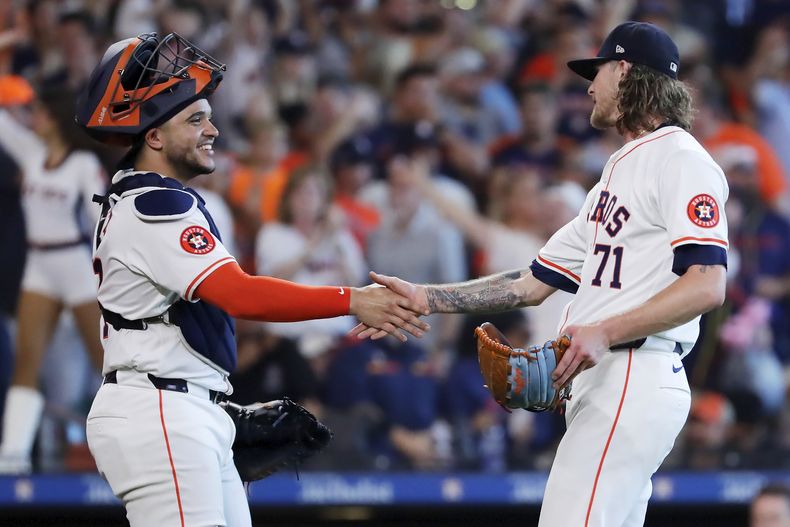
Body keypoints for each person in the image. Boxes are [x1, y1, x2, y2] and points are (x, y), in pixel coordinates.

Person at [355, 22, 729, 527]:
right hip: (606, 379)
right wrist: (427, 298)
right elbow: (529, 284)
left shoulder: (681, 159)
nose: (588, 87)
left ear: (623, 70)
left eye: (595, 73)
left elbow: (707, 283)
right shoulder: (612, 179)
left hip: (633, 372)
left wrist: (605, 330)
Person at [74, 33, 427, 527]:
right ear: (153, 136)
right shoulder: (156, 205)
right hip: (160, 410)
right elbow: (238, 294)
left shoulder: (142, 199)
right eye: (195, 120)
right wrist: (352, 300)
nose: (213, 130)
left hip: (181, 405)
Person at [0, 82, 106, 474]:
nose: (33, 118)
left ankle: (136, 442)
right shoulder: (31, 153)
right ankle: (12, 455)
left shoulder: (83, 166)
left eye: (41, 112)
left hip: (76, 265)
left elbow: (102, 222)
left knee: (106, 364)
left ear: (57, 118)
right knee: (26, 361)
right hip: (39, 266)